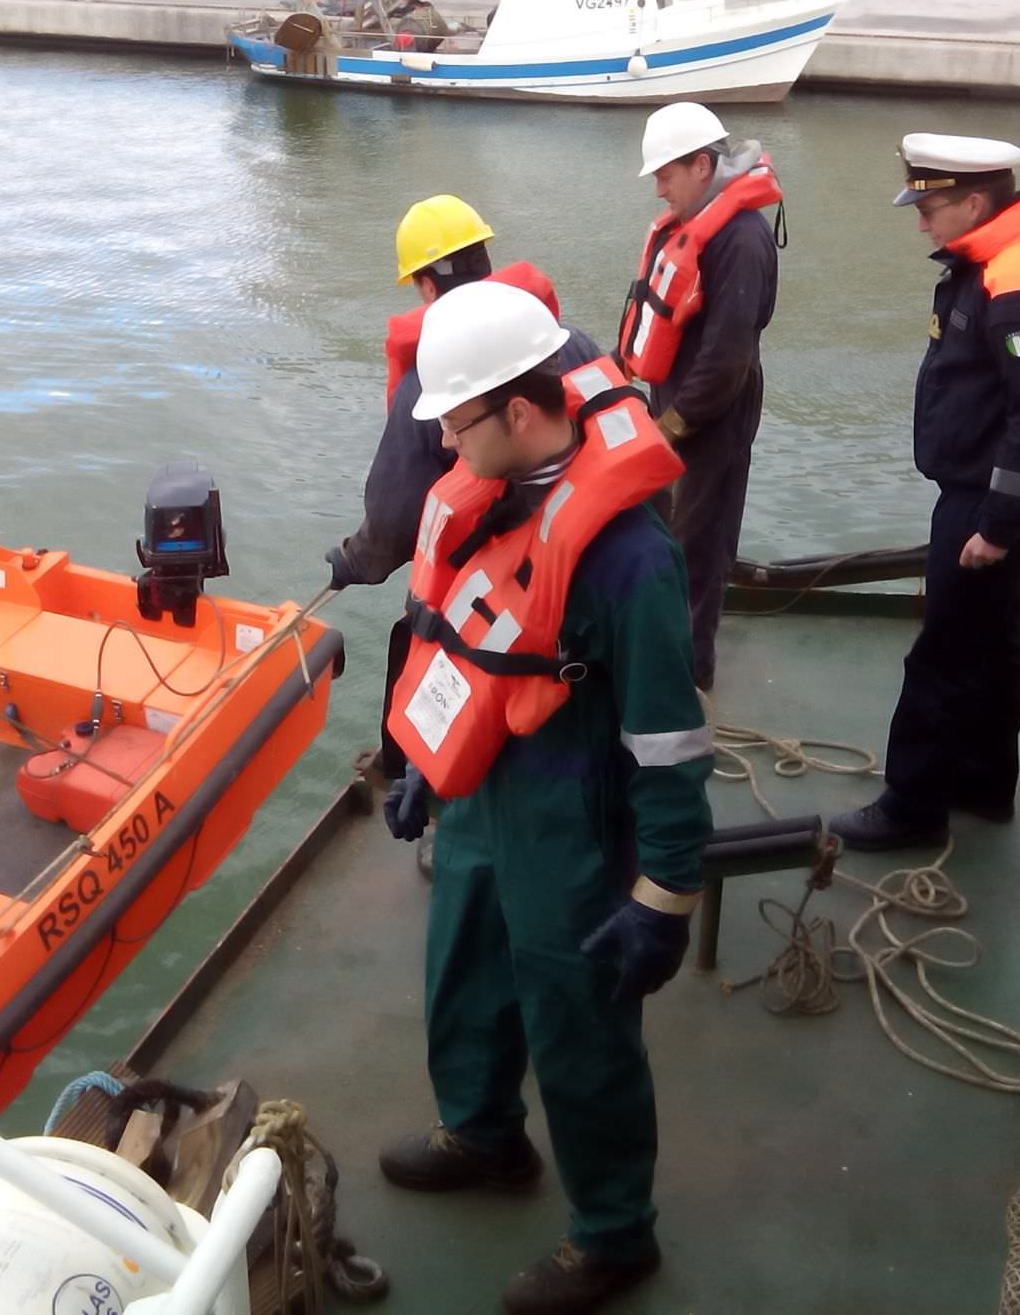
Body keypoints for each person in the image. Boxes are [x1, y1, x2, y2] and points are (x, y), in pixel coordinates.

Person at [378, 281, 713, 1314]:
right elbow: (450, 637)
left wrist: (660, 900)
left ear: (520, 414)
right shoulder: (487, 503)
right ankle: (483, 1134)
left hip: (575, 814)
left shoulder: (627, 558)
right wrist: (419, 767)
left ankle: (614, 1234)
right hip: (485, 790)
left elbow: (665, 746)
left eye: (457, 420)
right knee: (465, 970)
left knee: (579, 1025)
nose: (444, 444)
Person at [828, 134, 1020, 852]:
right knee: (992, 645)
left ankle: (912, 805)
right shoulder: (992, 263)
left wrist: (997, 524)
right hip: (989, 493)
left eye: (930, 206)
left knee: (943, 652)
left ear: (974, 203)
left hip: (986, 500)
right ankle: (982, 781)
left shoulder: (1014, 280)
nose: (921, 221)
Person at [324, 194, 600, 778]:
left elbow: (395, 519)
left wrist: (353, 561)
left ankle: (424, 791)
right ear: (483, 259)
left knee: (431, 660)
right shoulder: (559, 335)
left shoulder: (432, 379)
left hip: (490, 588)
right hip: (579, 562)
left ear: (425, 286)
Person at [617, 101, 782, 695]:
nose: (659, 189)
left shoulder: (740, 239)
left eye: (665, 174)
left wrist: (671, 426)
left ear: (702, 166)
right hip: (676, 411)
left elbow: (726, 359)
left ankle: (689, 677)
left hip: (710, 419)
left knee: (700, 543)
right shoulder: (698, 224)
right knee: (669, 537)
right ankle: (667, 658)